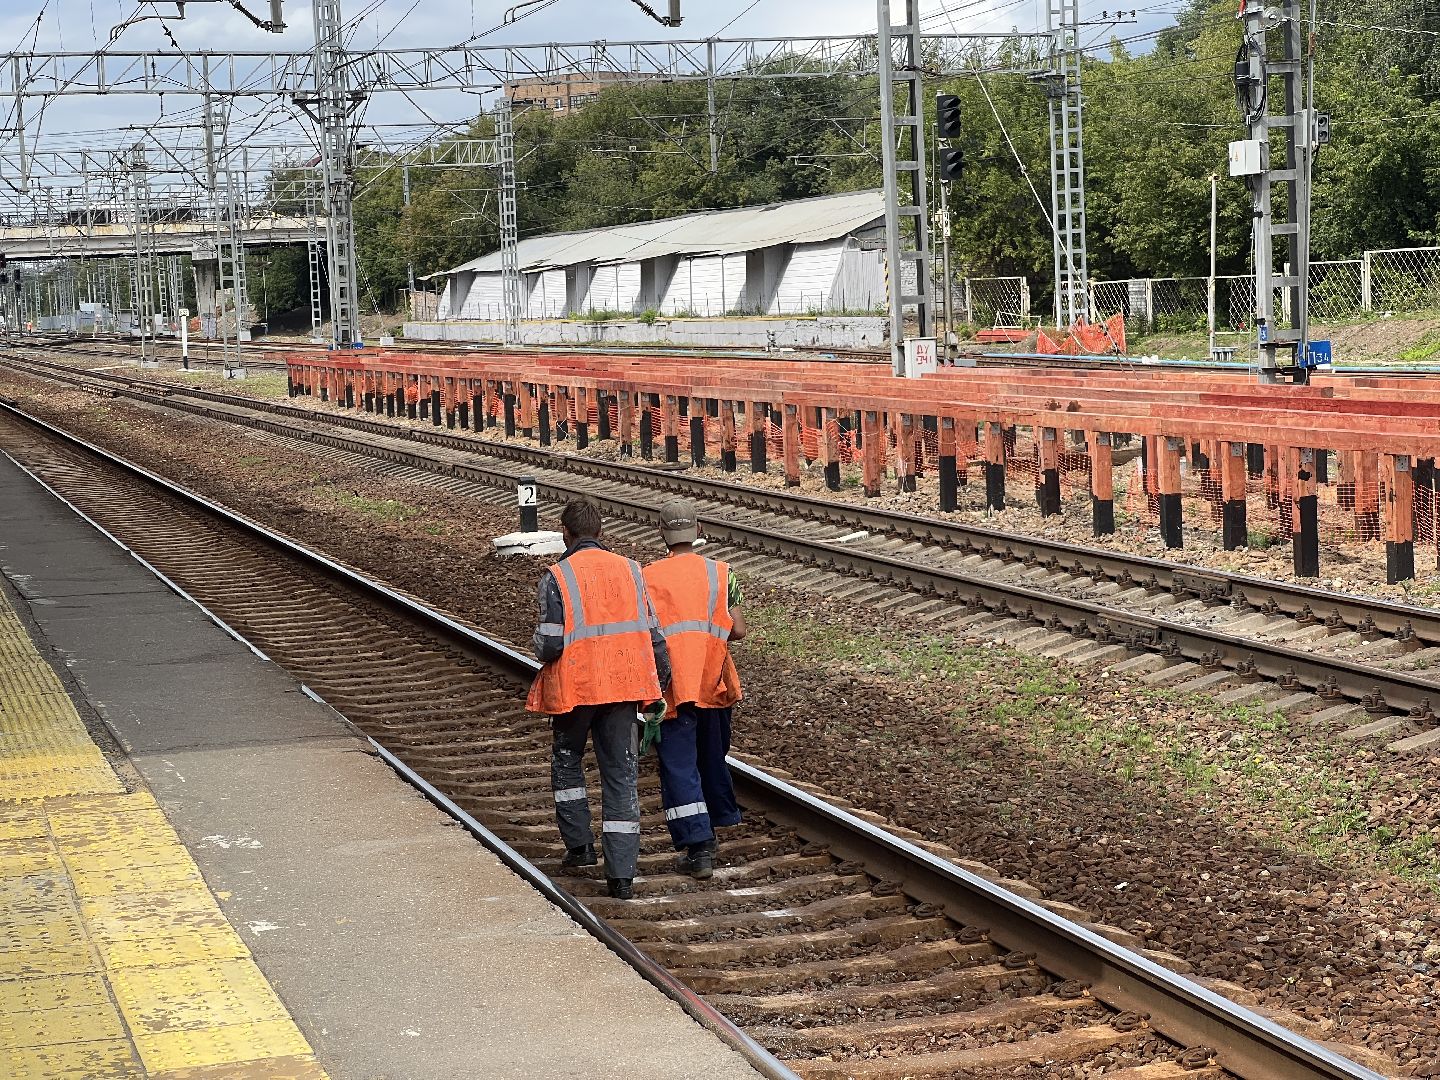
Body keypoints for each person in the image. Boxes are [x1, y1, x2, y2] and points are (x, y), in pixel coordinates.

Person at [527, 499, 670, 900]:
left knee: (567, 761)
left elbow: (551, 643)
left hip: (577, 689)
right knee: (621, 774)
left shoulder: (557, 576)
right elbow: (654, 634)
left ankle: (580, 848)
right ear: (601, 531)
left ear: (565, 533)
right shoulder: (631, 570)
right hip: (623, 687)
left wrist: (538, 644)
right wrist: (660, 681)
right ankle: (621, 875)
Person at [641, 498, 746, 881]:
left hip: (670, 685)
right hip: (712, 679)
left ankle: (699, 845)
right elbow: (738, 629)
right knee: (712, 754)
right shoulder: (722, 573)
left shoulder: (647, 576)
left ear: (662, 534)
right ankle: (720, 818)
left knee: (679, 764)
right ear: (698, 532)